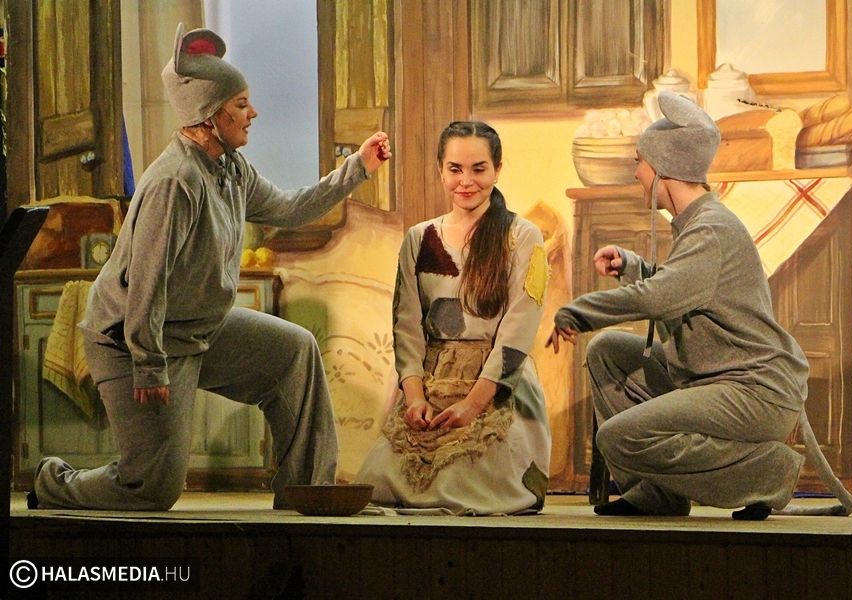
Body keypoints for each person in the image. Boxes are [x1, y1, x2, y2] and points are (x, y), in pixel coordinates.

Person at [29, 24, 391, 511]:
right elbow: (147, 281)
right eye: (241, 104)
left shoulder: (231, 169)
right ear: (209, 114)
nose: (253, 112)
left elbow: (290, 209)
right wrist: (148, 366)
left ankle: (306, 493)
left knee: (294, 353)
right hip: (132, 338)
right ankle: (52, 481)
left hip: (197, 327)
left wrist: (357, 168)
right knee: (151, 487)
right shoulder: (175, 182)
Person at [547, 91, 810, 520]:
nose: (636, 172)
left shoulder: (711, 229)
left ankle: (766, 471)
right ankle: (656, 494)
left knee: (616, 438)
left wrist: (579, 312)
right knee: (607, 351)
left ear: (662, 169)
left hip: (754, 390)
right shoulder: (698, 224)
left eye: (639, 162)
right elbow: (685, 286)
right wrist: (633, 266)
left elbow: (660, 296)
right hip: (712, 379)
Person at [355, 121, 551, 515]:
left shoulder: (522, 236)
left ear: (497, 169)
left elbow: (518, 330)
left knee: (462, 484)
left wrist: (473, 405)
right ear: (440, 171)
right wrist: (414, 398)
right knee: (384, 485)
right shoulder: (420, 238)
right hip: (430, 378)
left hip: (496, 384)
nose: (466, 181)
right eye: (455, 169)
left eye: (479, 169)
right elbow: (407, 325)